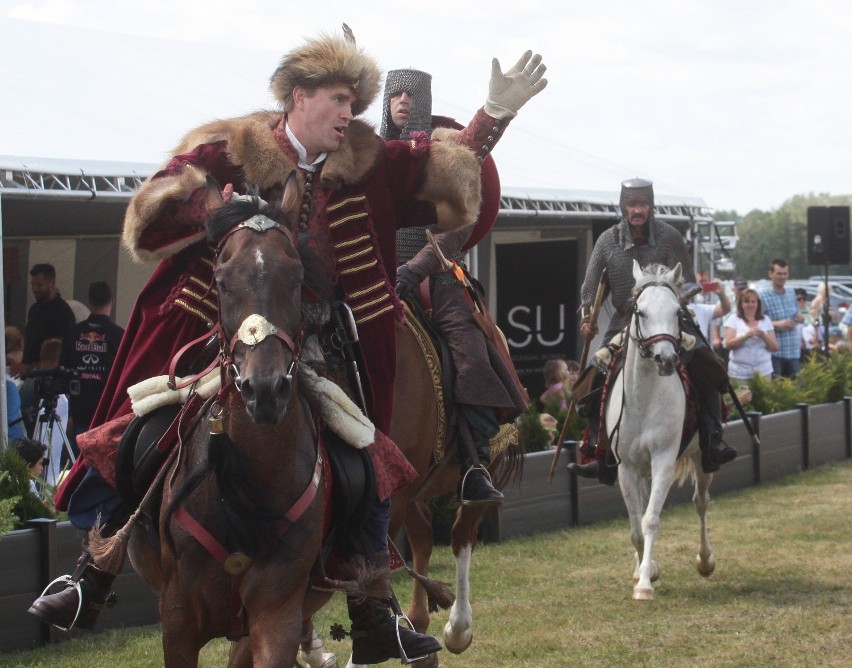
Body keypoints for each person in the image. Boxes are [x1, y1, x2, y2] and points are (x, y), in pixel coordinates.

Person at [30, 28, 547, 664]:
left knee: (366, 453)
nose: (348, 114)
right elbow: (152, 211)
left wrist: (492, 117)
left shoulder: (367, 159)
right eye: (337, 99)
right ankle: (95, 566)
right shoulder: (231, 151)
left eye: (355, 102)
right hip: (212, 329)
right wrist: (209, 210)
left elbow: (440, 168)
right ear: (298, 97)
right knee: (139, 431)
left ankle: (370, 602)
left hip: (323, 340)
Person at [382, 67, 529, 507]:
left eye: (413, 94)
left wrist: (414, 270)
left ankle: (474, 463)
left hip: (437, 277)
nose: (404, 100)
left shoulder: (446, 156)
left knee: (468, 350)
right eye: (396, 94)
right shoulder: (370, 157)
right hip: (376, 274)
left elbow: (455, 228)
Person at [566, 178, 737, 484]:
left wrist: (676, 299)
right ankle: (598, 450)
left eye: (642, 204)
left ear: (651, 205)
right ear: (623, 206)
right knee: (594, 375)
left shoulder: (669, 237)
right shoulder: (608, 241)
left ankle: (712, 440)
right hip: (625, 322)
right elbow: (591, 288)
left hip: (671, 319)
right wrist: (587, 316)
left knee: (706, 364)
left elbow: (687, 281)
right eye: (632, 204)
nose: (637, 210)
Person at [61, 281, 125, 447]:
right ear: (112, 300)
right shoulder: (119, 335)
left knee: (77, 461)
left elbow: (63, 370)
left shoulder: (73, 333)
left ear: (89, 301)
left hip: (78, 409)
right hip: (106, 410)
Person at [18, 338, 70, 487]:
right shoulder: (57, 392)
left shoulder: (27, 384)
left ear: (42, 355)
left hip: (29, 450)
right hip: (39, 456)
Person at [9, 264, 76, 378]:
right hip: (29, 376)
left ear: (52, 283)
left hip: (48, 379)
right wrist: (21, 365)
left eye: (39, 285)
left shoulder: (63, 313)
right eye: (33, 284)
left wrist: (29, 367)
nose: (35, 289)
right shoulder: (34, 309)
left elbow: (62, 355)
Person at [759, 259, 803, 378]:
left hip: (793, 350)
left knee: (796, 391)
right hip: (775, 352)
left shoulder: (791, 293)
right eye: (779, 273)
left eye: (785, 273)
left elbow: (796, 315)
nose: (782, 277)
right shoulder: (762, 295)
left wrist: (798, 319)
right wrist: (778, 324)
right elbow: (757, 322)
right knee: (776, 391)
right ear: (770, 274)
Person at [723, 289, 778, 383]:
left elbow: (774, 347)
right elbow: (728, 344)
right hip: (739, 373)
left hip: (763, 371)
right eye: (747, 302)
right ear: (741, 304)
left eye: (753, 302)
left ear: (758, 304)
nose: (750, 305)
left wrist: (763, 336)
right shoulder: (733, 319)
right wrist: (746, 336)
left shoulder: (766, 320)